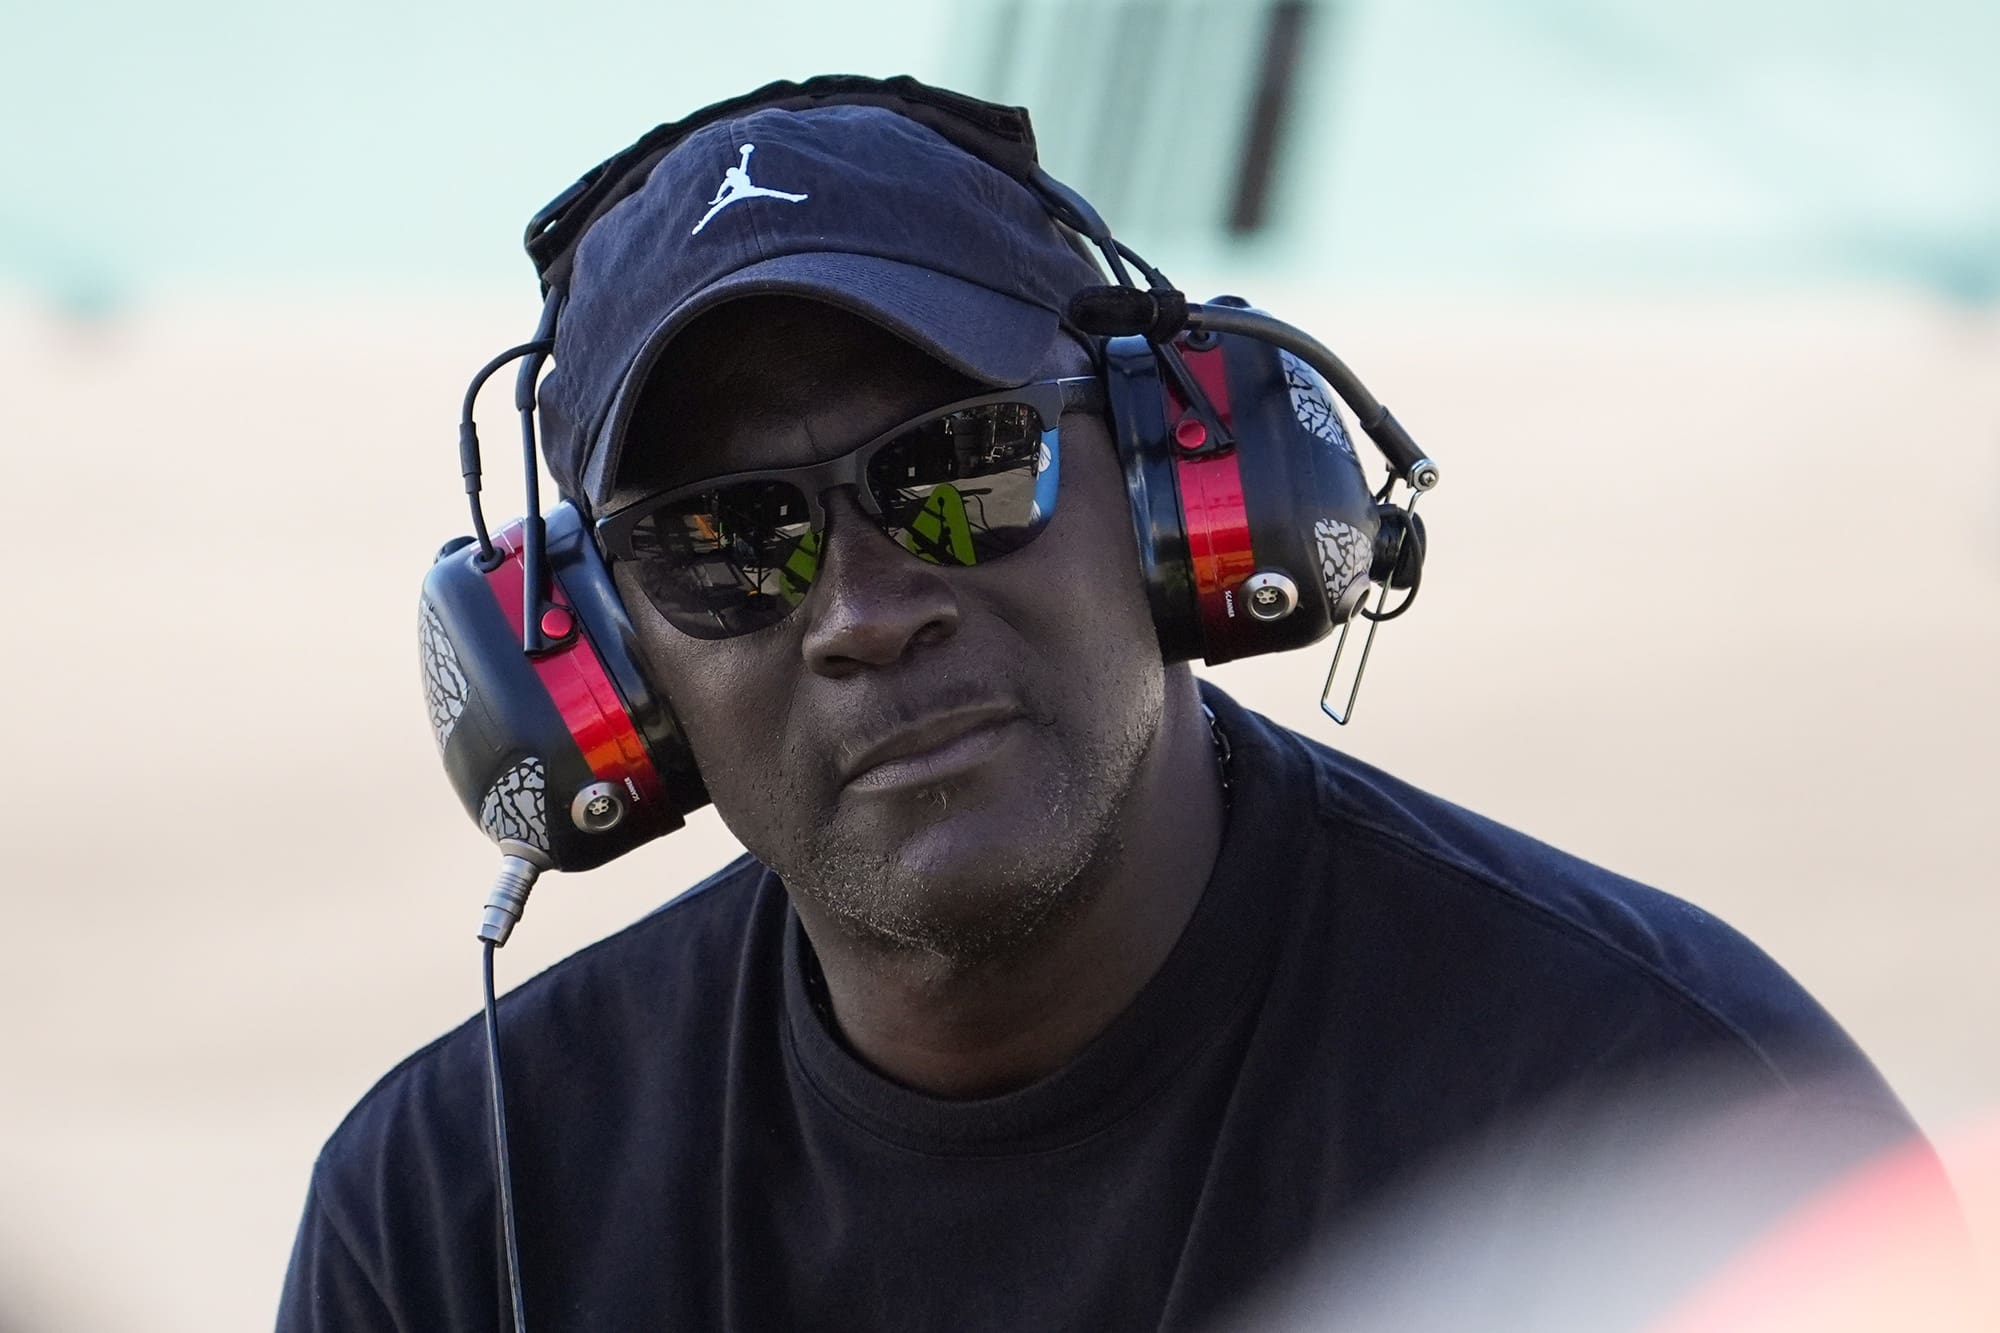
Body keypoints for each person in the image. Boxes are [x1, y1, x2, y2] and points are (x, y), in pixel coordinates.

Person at [278, 79, 1929, 1331]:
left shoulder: (1668, 1124)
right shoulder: (451, 1217)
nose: (863, 610)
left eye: (958, 468)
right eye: (725, 545)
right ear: (603, 675)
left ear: (1178, 488)